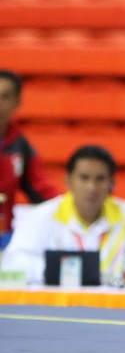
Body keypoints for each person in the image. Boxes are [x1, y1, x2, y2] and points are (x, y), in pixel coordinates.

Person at [1, 145, 125, 288]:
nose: (91, 187)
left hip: (116, 314)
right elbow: (12, 264)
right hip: (54, 311)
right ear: (68, 180)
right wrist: (54, 270)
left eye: (100, 179)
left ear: (112, 183)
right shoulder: (42, 216)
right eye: (84, 178)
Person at [0, 69, 60, 236]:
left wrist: (69, 206)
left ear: (17, 102)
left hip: (3, 238)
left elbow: (40, 189)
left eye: (5, 97)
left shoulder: (20, 145)